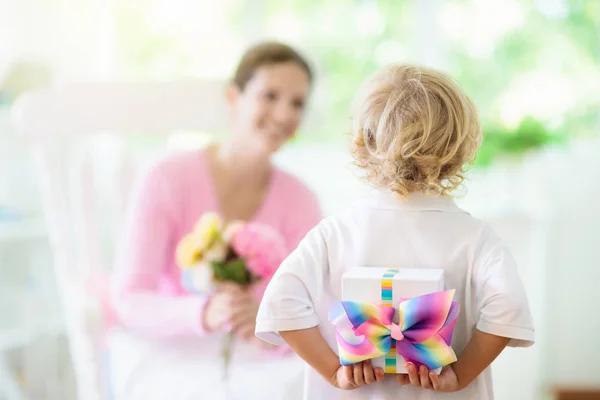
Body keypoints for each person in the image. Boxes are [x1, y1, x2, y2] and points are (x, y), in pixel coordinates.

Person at [255, 64, 535, 400]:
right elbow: (509, 307)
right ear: (459, 148)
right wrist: (460, 375)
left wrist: (333, 370)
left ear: (361, 142)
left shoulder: (333, 234)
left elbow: (281, 302)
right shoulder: (476, 239)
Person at [109, 41, 322, 400]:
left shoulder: (301, 200)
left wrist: (270, 325)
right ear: (233, 97)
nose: (284, 114)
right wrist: (203, 312)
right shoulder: (166, 178)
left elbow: (314, 307)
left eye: (297, 103)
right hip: (174, 352)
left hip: (263, 361)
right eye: (270, 95)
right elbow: (130, 299)